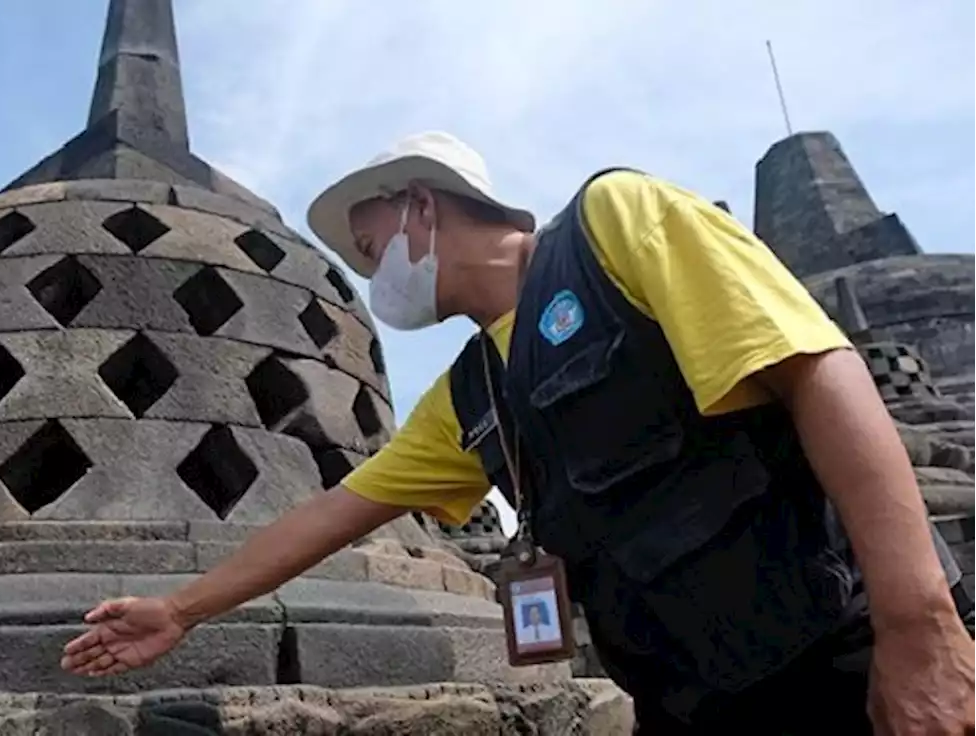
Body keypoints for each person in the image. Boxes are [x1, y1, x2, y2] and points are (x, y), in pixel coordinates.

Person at [61, 131, 976, 733]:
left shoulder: (616, 226)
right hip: (694, 701)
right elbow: (334, 513)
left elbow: (819, 370)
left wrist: (921, 628)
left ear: (423, 206)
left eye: (372, 249)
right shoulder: (470, 394)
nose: (374, 276)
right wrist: (180, 610)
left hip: (847, 657)